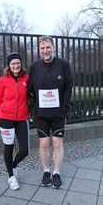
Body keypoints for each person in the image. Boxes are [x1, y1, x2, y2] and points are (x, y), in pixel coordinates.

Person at [28, 35, 72, 189]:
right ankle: (46, 171)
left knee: (57, 142)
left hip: (58, 113)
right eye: (42, 48)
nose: (45, 50)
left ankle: (56, 173)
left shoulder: (64, 65)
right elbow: (30, 90)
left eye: (48, 47)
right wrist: (35, 106)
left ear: (53, 48)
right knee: (44, 143)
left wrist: (64, 107)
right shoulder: (34, 67)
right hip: (41, 114)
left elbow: (68, 86)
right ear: (39, 50)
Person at [0, 52, 30, 191]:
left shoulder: (27, 78)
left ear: (21, 64)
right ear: (9, 65)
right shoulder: (3, 80)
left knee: (25, 150)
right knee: (9, 148)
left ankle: (13, 165)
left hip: (22, 119)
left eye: (18, 63)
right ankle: (11, 177)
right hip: (5, 119)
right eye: (13, 63)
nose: (16, 66)